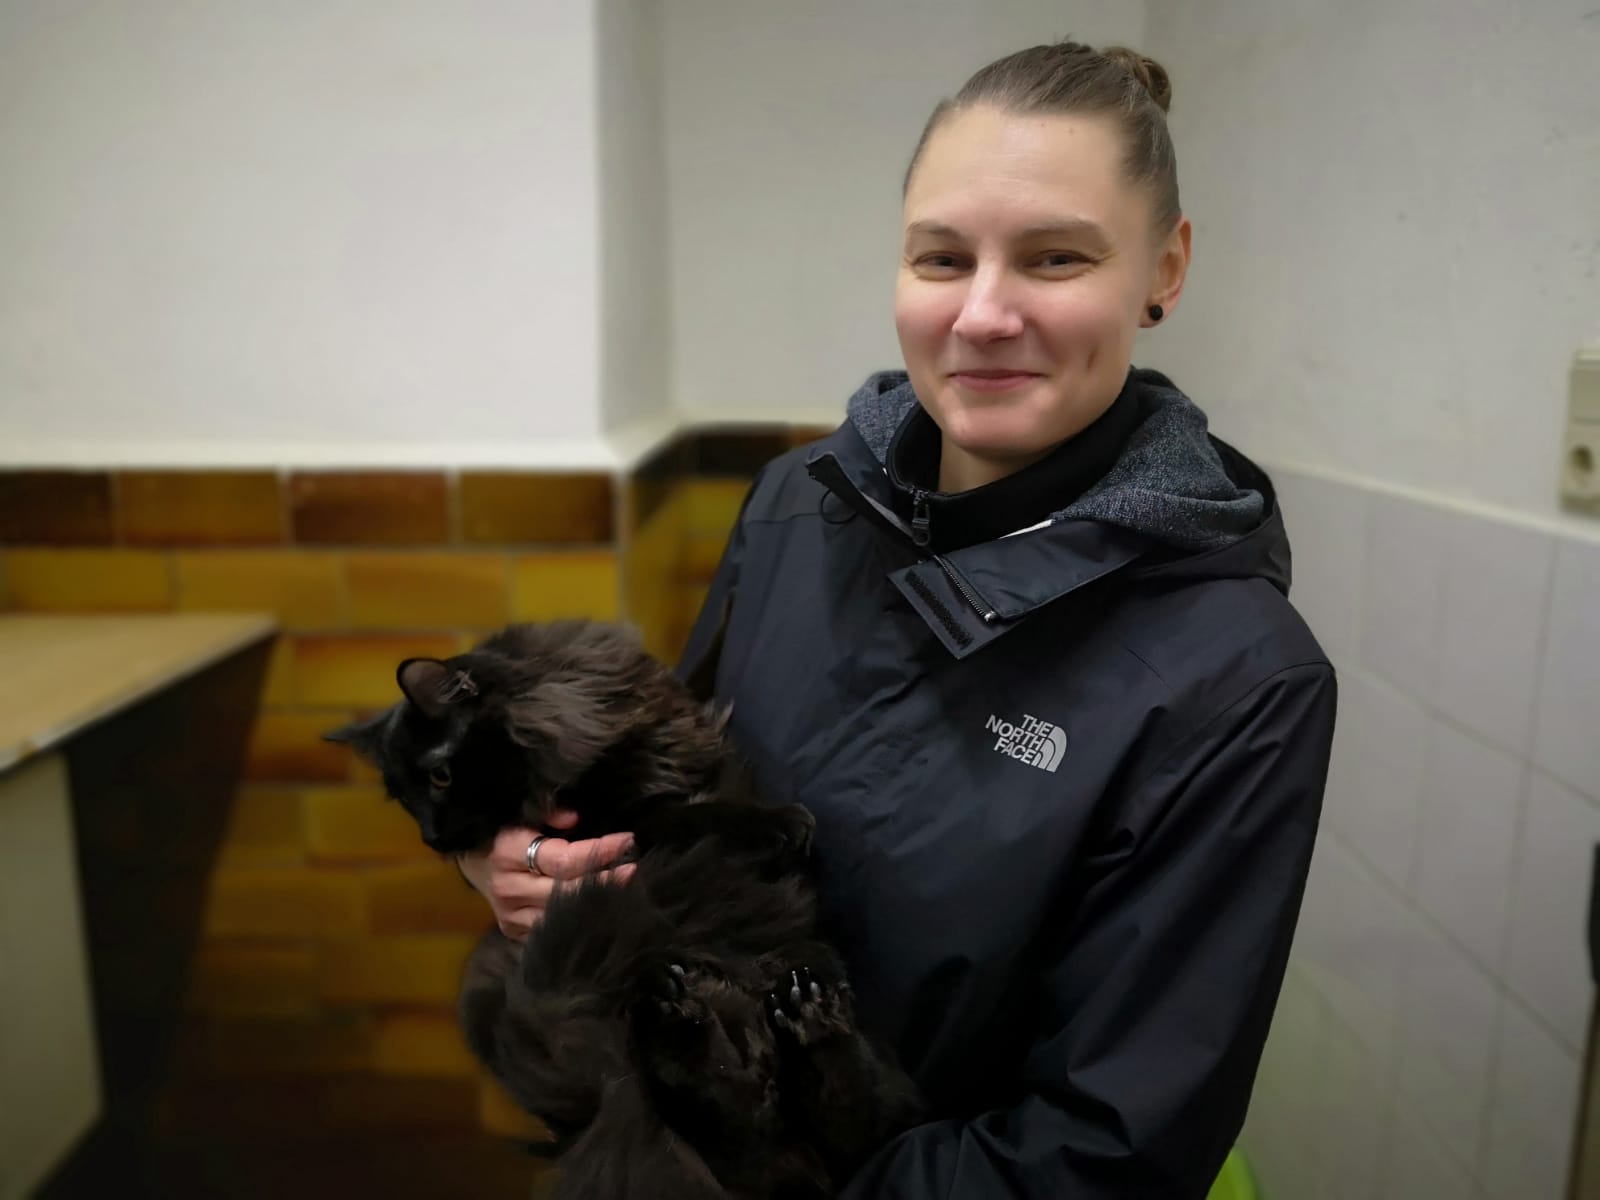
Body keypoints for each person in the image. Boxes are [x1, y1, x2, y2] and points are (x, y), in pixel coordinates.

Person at [459, 40, 1336, 1198]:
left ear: (1163, 270)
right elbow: (675, 817)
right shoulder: (796, 506)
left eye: (1055, 257)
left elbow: (1099, 1154)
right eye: (941, 257)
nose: (982, 313)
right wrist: (535, 871)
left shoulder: (1236, 678)